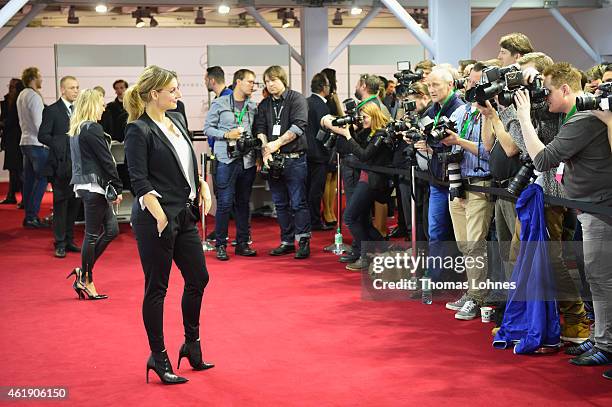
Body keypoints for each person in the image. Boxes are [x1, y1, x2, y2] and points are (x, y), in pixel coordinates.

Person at [514, 62, 612, 370]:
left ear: (567, 89)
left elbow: (543, 159)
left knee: (600, 279)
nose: (545, 97)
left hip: (600, 209)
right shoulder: (577, 117)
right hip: (590, 208)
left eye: (549, 91)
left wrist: (523, 117)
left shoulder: (582, 120)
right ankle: (601, 337)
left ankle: (606, 344)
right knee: (595, 277)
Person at [124, 65, 214, 385]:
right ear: (154, 94)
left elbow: (186, 163)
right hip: (155, 219)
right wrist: (158, 212)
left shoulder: (176, 120)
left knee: (198, 278)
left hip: (185, 215)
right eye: (173, 90)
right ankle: (157, 356)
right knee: (157, 288)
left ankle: (191, 344)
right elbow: (138, 178)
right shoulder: (139, 129)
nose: (178, 94)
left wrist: (201, 185)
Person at [322, 103, 393, 271]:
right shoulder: (369, 132)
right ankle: (384, 248)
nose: (363, 121)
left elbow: (363, 155)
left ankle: (365, 254)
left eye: (365, 118)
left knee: (349, 217)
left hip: (373, 180)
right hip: (365, 178)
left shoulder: (381, 134)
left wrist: (347, 135)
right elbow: (353, 146)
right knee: (361, 220)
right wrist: (349, 129)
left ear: (374, 116)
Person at [66, 89, 122, 300]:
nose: (104, 107)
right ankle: (87, 279)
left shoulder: (78, 128)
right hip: (94, 187)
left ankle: (83, 271)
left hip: (87, 185)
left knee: (112, 229)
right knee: (91, 235)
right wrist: (116, 185)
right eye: (100, 103)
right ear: (91, 105)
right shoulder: (92, 128)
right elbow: (106, 160)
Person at [255, 65, 310, 259]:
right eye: (267, 81)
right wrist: (266, 149)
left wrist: (276, 143)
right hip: (273, 160)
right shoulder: (264, 105)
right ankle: (287, 241)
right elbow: (260, 128)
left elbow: (299, 125)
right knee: (280, 204)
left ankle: (302, 240)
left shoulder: (297, 99)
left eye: (273, 80)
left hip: (295, 159)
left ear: (283, 80)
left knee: (298, 202)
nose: (270, 84)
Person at [204, 68, 259, 261]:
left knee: (244, 203)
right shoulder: (219, 103)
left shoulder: (253, 106)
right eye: (250, 82)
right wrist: (226, 135)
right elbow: (208, 129)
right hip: (226, 159)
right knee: (225, 203)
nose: (253, 85)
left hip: (247, 160)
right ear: (238, 82)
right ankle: (221, 244)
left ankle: (243, 243)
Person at [38, 76, 81, 258]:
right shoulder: (52, 110)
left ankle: (70, 240)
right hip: (60, 166)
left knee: (74, 204)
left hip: (78, 166)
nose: (76, 91)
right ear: (62, 90)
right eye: (72, 88)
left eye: (77, 87)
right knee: (61, 204)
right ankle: (60, 242)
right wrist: (61, 143)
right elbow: (42, 135)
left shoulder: (79, 110)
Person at [16, 67, 49, 229]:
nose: (42, 79)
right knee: (42, 178)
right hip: (37, 143)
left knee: (29, 180)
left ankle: (28, 215)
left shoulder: (21, 95)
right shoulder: (34, 97)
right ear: (33, 78)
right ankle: (32, 216)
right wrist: (47, 141)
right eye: (40, 76)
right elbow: (39, 123)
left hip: (25, 141)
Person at [306, 73, 333, 231]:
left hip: (307, 152)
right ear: (324, 87)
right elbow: (326, 131)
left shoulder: (306, 102)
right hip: (319, 153)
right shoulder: (323, 106)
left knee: (308, 189)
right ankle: (315, 221)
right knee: (316, 190)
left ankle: (310, 219)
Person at [0, 78, 24, 205]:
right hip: (10, 140)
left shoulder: (20, 101)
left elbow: (15, 121)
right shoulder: (5, 102)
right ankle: (11, 196)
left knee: (20, 169)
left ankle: (24, 198)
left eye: (13, 86)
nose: (10, 88)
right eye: (10, 86)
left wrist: (4, 123)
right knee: (12, 169)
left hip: (18, 140)